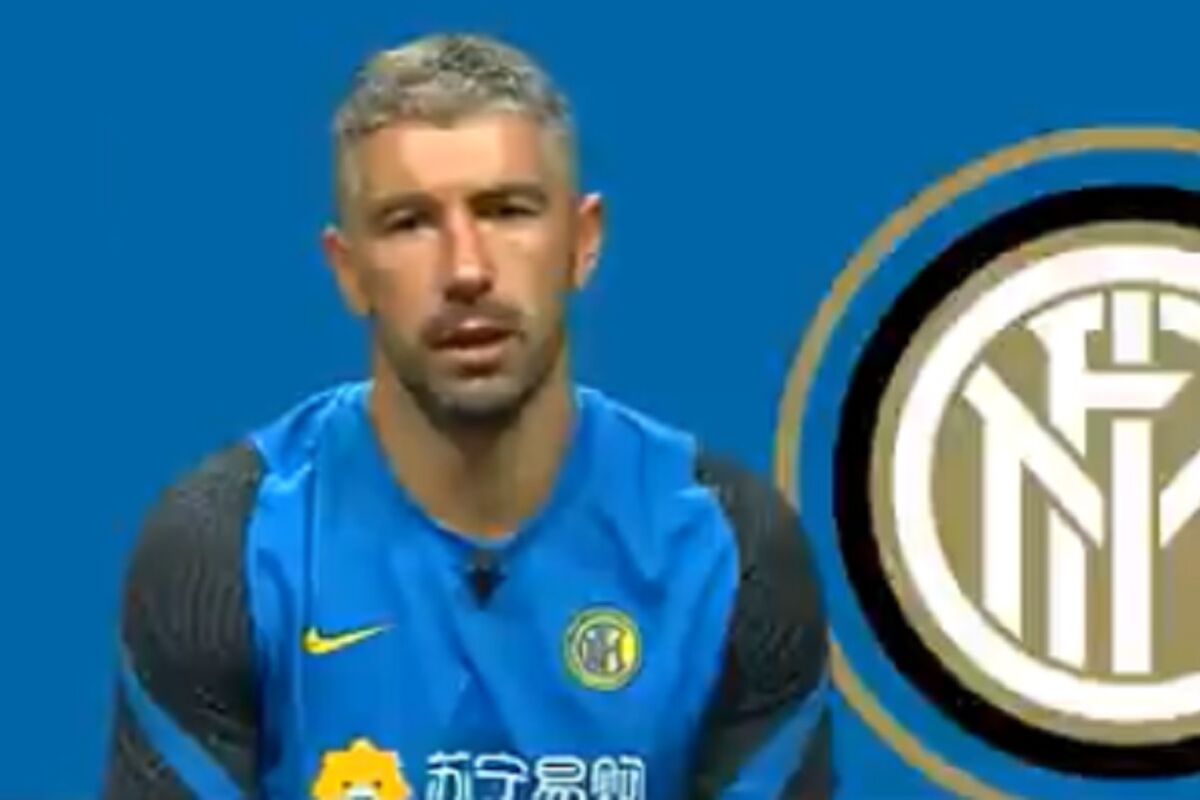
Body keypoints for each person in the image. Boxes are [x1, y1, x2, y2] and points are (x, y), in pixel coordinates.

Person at [101, 32, 832, 800]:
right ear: (349, 270)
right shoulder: (226, 547)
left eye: (507, 211)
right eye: (409, 222)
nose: (467, 270)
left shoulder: (729, 547)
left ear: (583, 242)